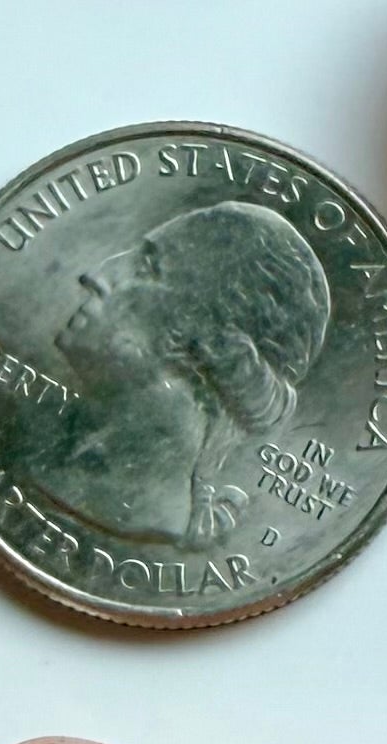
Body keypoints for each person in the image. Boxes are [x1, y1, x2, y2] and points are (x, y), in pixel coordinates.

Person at [36, 197, 333, 545]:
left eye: (148, 266)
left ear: (205, 334)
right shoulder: (57, 460)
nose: (95, 275)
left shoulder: (107, 504)